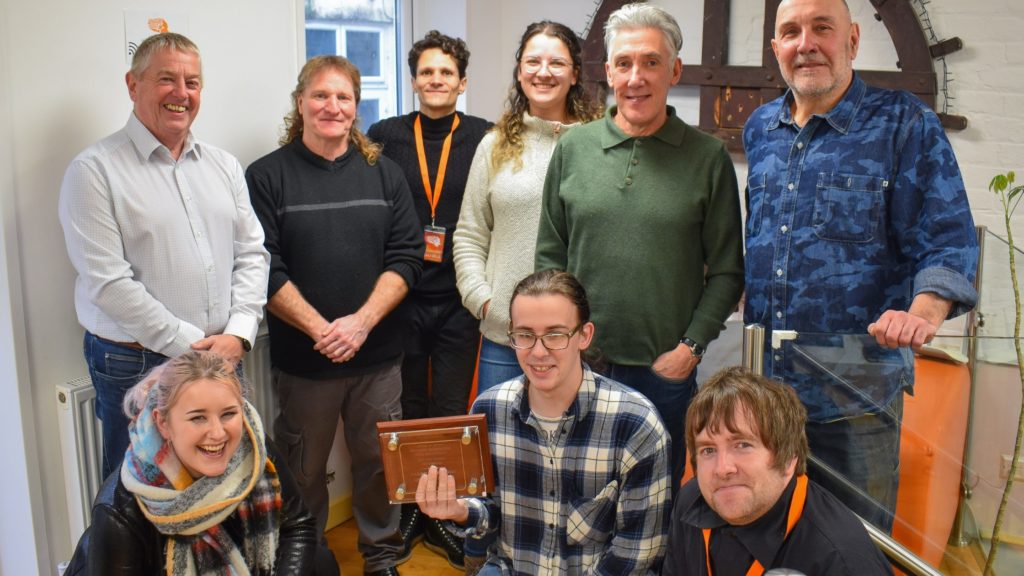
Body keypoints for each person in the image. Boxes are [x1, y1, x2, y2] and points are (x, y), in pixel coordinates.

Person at [743, 0, 978, 531]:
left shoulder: (903, 123)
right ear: (776, 47)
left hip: (856, 395)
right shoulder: (762, 129)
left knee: (855, 551)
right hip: (765, 395)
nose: (806, 43)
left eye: (821, 29)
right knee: (768, 543)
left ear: (851, 40)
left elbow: (947, 235)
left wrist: (923, 309)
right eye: (791, 32)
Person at [534, 3, 744, 491]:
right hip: (582, 365)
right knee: (575, 488)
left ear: (674, 70)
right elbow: (550, 258)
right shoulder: (573, 149)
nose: (636, 77)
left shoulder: (708, 158)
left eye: (651, 62)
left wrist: (688, 350)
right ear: (607, 72)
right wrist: (561, 343)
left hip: (664, 374)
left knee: (654, 497)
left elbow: (729, 272)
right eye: (624, 63)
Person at [58, 32, 270, 480]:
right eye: (166, 79)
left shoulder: (223, 166)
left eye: (192, 82)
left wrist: (240, 332)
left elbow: (252, 253)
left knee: (219, 479)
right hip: (136, 361)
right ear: (133, 85)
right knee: (135, 491)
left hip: (223, 351)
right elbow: (108, 283)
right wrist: (193, 349)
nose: (181, 93)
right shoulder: (93, 171)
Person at [246, 55, 422, 576]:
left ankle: (382, 557)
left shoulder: (384, 175)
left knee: (378, 467)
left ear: (356, 107)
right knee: (302, 473)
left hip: (378, 358)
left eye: (343, 97)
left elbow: (407, 257)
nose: (332, 106)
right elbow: (261, 267)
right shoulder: (266, 176)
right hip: (306, 362)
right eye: (320, 95)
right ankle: (308, 560)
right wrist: (323, 330)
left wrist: (361, 323)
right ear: (300, 102)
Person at [416, 269, 671, 575]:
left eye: (555, 334)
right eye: (525, 334)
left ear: (584, 336)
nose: (538, 351)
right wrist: (458, 511)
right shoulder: (488, 410)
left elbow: (635, 556)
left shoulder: (636, 424)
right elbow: (490, 513)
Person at [366, 32, 492, 568]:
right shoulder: (384, 135)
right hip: (402, 296)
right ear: (413, 79)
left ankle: (448, 513)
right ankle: (412, 512)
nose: (436, 80)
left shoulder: (486, 136)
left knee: (450, 411)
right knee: (408, 408)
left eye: (446, 73)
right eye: (426, 72)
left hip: (460, 295)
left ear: (462, 82)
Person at [68, 350, 319, 575]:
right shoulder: (119, 510)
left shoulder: (252, 445)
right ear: (163, 423)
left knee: (322, 562)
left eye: (229, 414)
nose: (218, 433)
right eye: (198, 418)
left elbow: (298, 526)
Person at [453, 21, 602, 393]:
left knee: (578, 448)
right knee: (503, 448)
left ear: (575, 74)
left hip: (581, 341)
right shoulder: (494, 146)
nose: (544, 72)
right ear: (520, 72)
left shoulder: (600, 145)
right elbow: (470, 235)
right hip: (507, 337)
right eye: (533, 61)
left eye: (557, 63)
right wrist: (486, 303)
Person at [662, 367, 893, 575]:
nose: (723, 469)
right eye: (708, 450)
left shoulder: (842, 562)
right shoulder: (690, 501)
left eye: (743, 445)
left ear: (789, 457)